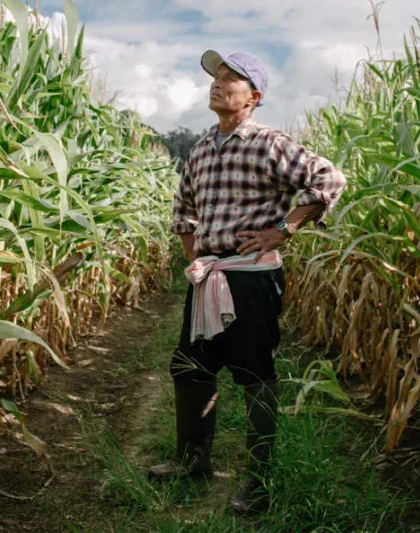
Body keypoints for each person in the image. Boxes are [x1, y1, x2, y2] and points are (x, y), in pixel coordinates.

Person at [148, 50, 347, 514]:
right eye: (216, 78)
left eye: (230, 79)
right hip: (209, 276)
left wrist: (285, 229)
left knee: (253, 372)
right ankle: (192, 459)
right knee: (191, 366)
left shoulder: (268, 143)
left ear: (253, 97)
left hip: (252, 277)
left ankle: (259, 479)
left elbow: (329, 178)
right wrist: (194, 259)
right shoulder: (200, 148)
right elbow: (184, 212)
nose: (218, 84)